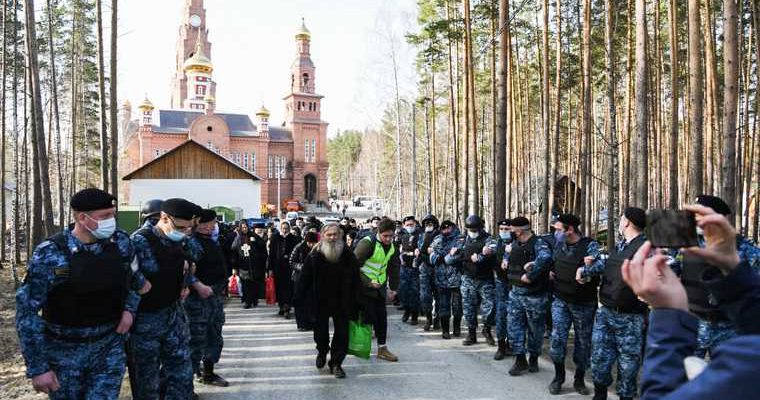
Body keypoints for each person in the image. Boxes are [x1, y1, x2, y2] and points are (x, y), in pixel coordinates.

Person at [16, 188, 144, 399]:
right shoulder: (51, 253)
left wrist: (130, 310)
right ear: (83, 218)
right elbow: (26, 312)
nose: (111, 221)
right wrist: (38, 368)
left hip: (109, 346)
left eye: (113, 215)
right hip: (64, 352)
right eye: (104, 216)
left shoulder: (121, 243)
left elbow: (136, 280)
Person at [624, 204, 760, 399]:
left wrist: (667, 313)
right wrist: (735, 272)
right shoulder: (696, 246)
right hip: (696, 321)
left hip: (722, 326)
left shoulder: (747, 362)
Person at [130, 198, 209, 400]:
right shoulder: (140, 241)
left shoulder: (179, 239)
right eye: (181, 227)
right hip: (146, 320)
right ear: (164, 218)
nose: (185, 232)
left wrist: (186, 282)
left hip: (173, 314)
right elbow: (127, 279)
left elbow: (190, 261)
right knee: (148, 382)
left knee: (182, 373)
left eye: (188, 228)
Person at [678, 194, 760, 358]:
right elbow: (678, 272)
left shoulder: (744, 248)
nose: (695, 220)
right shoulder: (689, 246)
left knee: (729, 379)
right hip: (694, 324)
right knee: (688, 377)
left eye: (700, 215)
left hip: (727, 328)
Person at [590, 207, 648, 400]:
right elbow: (607, 265)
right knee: (599, 359)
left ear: (627, 223)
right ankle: (599, 396)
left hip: (630, 318)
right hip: (606, 312)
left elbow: (668, 267)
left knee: (628, 367)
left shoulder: (646, 248)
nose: (620, 222)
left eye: (621, 218)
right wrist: (584, 271)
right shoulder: (621, 246)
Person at [295, 223, 361, 378]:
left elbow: (356, 280)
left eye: (335, 235)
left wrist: (359, 301)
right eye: (329, 235)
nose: (332, 238)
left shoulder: (348, 255)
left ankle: (337, 363)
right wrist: (299, 299)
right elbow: (304, 279)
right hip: (320, 300)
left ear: (340, 236)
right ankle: (322, 352)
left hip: (342, 301)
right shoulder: (314, 255)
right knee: (320, 333)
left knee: (342, 334)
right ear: (323, 235)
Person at [548, 213, 604, 394]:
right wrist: (549, 270)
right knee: (557, 340)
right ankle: (558, 377)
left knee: (583, 343)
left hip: (583, 304)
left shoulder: (590, 245)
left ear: (569, 229)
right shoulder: (559, 245)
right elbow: (553, 262)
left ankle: (579, 379)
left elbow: (601, 266)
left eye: (557, 229)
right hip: (560, 300)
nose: (555, 232)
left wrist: (585, 269)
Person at [185, 209, 229, 387]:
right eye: (212, 222)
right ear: (201, 223)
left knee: (214, 336)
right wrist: (198, 286)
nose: (214, 226)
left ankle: (208, 372)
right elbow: (186, 270)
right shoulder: (192, 243)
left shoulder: (211, 241)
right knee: (196, 340)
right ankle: (189, 380)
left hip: (214, 298)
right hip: (198, 300)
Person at [506, 216, 553, 376]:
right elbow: (511, 255)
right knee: (514, 327)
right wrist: (506, 260)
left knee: (535, 330)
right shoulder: (515, 243)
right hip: (515, 293)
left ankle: (533, 357)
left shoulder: (539, 243)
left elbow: (546, 258)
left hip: (534, 296)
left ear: (519, 230)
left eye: (512, 229)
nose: (510, 232)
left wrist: (531, 274)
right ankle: (520, 360)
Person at [354, 218, 400, 362]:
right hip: (363, 288)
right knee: (366, 318)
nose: (388, 239)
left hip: (379, 288)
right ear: (378, 232)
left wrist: (393, 288)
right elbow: (353, 267)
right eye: (385, 236)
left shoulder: (392, 246)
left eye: (391, 236)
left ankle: (382, 348)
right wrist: (368, 282)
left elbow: (393, 268)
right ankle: (359, 347)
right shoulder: (367, 244)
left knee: (382, 318)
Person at [451, 215, 497, 346]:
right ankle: (471, 334)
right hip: (468, 278)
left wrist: (483, 255)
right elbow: (453, 256)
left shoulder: (488, 238)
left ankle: (486, 330)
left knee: (490, 307)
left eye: (476, 230)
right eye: (471, 230)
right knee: (468, 308)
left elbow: (492, 248)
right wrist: (453, 254)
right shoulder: (462, 240)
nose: (473, 232)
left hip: (485, 279)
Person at [429, 220, 464, 339]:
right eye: (443, 228)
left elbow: (455, 257)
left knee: (457, 306)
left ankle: (457, 328)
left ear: (453, 227)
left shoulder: (460, 239)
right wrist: (445, 255)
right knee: (443, 305)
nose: (446, 230)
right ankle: (445, 330)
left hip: (456, 278)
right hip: (441, 278)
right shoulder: (438, 239)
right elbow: (432, 257)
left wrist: (442, 256)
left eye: (448, 228)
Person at [268, 221, 302, 318]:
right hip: (278, 268)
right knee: (279, 288)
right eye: (283, 228)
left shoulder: (294, 239)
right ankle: (281, 306)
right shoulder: (275, 238)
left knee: (288, 288)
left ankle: (287, 307)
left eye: (286, 228)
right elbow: (271, 254)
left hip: (289, 268)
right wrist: (270, 268)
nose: (284, 230)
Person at [492, 219, 515, 360]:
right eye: (501, 228)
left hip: (515, 284)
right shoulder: (497, 242)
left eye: (507, 228)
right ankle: (501, 346)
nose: (504, 231)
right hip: (501, 282)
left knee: (514, 316)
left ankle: (511, 344)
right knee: (501, 315)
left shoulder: (518, 243)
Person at [291, 231, 320, 331]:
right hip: (299, 279)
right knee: (300, 302)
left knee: (311, 302)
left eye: (313, 243)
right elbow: (292, 262)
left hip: (313, 280)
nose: (311, 245)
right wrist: (303, 267)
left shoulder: (318, 250)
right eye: (309, 243)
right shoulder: (298, 247)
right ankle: (301, 324)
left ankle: (311, 322)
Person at [417, 214, 441, 331]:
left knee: (439, 297)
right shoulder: (422, 236)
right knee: (425, 296)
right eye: (426, 223)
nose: (428, 225)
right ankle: (428, 318)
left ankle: (437, 319)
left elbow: (439, 252)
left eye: (431, 223)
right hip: (425, 269)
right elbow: (421, 250)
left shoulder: (440, 236)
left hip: (438, 269)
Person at [397, 216, 421, 325]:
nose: (410, 227)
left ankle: (414, 315)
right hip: (404, 266)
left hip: (416, 268)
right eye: (407, 225)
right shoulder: (401, 235)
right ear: (404, 225)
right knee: (403, 291)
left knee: (414, 292)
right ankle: (407, 310)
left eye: (412, 224)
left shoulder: (420, 235)